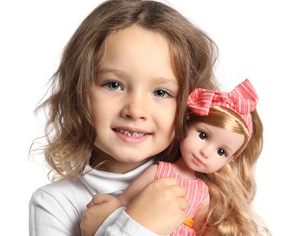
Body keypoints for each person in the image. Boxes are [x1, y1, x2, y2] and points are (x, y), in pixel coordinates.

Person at [29, 0, 219, 236]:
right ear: (78, 92)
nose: (135, 110)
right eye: (113, 85)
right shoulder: (54, 204)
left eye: (161, 92)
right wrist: (138, 226)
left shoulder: (208, 196)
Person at [83, 79, 270, 236]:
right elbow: (125, 200)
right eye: (203, 136)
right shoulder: (161, 170)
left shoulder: (203, 191)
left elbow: (201, 227)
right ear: (186, 124)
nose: (206, 152)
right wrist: (111, 210)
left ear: (230, 160)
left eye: (221, 152)